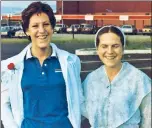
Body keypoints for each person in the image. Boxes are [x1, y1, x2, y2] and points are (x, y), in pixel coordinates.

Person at [1, 2, 83, 128]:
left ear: (52, 27)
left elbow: (78, 99)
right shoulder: (11, 66)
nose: (42, 30)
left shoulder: (71, 61)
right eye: (35, 26)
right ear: (27, 30)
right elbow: (4, 103)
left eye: (46, 24)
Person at [82, 25, 151, 128]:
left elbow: (148, 120)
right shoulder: (91, 80)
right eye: (104, 46)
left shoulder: (139, 80)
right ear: (97, 49)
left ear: (123, 48)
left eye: (115, 46)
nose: (110, 51)